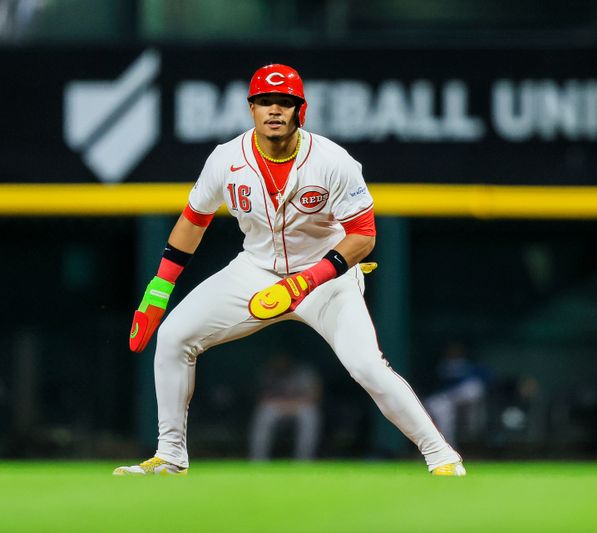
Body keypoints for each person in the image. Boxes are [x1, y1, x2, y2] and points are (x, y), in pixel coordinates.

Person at [114, 64, 464, 476]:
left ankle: (442, 456)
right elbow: (195, 218)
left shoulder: (333, 161)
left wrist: (308, 279)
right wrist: (160, 286)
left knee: (367, 366)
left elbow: (363, 236)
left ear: (302, 110)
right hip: (256, 270)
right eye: (265, 101)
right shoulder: (227, 159)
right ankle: (169, 457)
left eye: (285, 102)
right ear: (252, 109)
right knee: (173, 336)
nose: (274, 110)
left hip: (325, 276)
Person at [249, 353, 322, 461]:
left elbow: (315, 396)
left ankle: (304, 460)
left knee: (310, 413)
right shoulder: (268, 372)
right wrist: (282, 404)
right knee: (264, 412)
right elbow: (261, 398)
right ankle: (258, 460)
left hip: (298, 406)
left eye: (283, 359)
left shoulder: (304, 372)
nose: (280, 362)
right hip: (276, 407)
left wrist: (291, 404)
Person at [425, 341, 489, 447]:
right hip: (446, 398)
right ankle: (448, 446)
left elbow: (485, 380)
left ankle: (472, 432)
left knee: (474, 388)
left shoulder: (470, 366)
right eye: (451, 351)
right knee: (439, 408)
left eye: (457, 350)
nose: (454, 353)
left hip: (466, 398)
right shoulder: (442, 367)